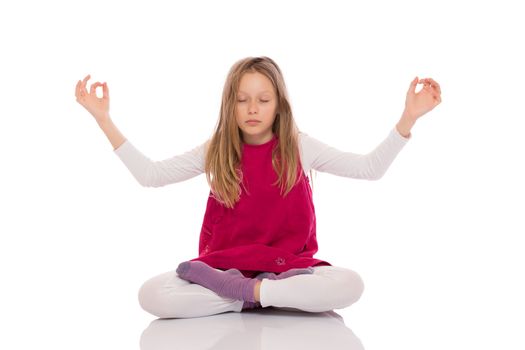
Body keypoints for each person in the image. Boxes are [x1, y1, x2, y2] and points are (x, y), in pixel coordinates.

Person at [75, 56, 441, 318]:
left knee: (350, 284)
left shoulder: (299, 146)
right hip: (223, 270)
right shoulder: (216, 149)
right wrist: (104, 120)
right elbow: (151, 175)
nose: (253, 109)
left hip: (287, 268)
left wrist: (408, 118)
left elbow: (369, 168)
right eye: (242, 100)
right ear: (229, 106)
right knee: (152, 295)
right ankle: (261, 297)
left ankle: (252, 296)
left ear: (279, 105)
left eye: (263, 100)